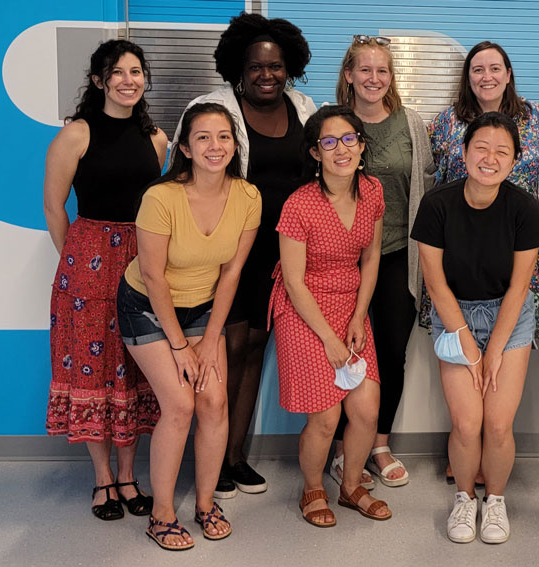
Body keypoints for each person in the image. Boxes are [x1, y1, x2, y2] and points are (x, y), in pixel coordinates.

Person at [174, 11, 316, 498]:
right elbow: (182, 173)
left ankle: (235, 456)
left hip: (281, 253)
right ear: (238, 67)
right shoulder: (213, 107)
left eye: (275, 66)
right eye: (256, 66)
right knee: (224, 350)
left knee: (256, 348)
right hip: (228, 252)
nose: (266, 74)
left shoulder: (302, 106)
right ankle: (210, 458)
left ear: (289, 68)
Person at [118, 103, 260, 550]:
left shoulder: (248, 197)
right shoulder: (161, 198)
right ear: (185, 147)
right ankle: (161, 516)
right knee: (180, 403)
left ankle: (204, 504)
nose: (214, 146)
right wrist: (181, 348)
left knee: (215, 400)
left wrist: (211, 335)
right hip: (146, 305)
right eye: (203, 137)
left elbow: (231, 274)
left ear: (234, 145)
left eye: (223, 136)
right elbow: (155, 276)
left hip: (202, 308)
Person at [44, 39, 165, 521]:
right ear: (99, 81)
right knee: (93, 371)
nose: (128, 79)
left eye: (136, 71)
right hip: (86, 265)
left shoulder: (156, 138)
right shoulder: (77, 134)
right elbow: (55, 207)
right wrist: (75, 262)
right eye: (117, 72)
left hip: (142, 260)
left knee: (135, 369)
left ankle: (130, 475)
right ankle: (102, 480)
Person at [412, 112, 539, 544]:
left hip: (511, 314)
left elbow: (520, 286)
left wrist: (494, 351)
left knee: (499, 424)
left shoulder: (524, 207)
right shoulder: (437, 203)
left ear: (514, 160)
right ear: (464, 152)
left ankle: (497, 502)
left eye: (501, 152)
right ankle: (465, 498)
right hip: (455, 315)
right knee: (467, 423)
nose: (490, 158)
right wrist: (469, 344)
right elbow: (435, 281)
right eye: (481, 148)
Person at [429, 40, 539, 484]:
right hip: (458, 253)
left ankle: (493, 458)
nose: (486, 76)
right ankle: (465, 454)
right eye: (477, 68)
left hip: (517, 253)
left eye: (495, 67)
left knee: (501, 378)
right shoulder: (445, 122)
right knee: (465, 401)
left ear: (508, 73)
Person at [270, 105, 391, 527]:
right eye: (328, 141)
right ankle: (312, 489)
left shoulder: (373, 189)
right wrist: (329, 338)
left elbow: (372, 256)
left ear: (361, 145)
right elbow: (293, 281)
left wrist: (359, 317)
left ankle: (352, 485)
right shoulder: (298, 204)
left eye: (349, 139)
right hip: (303, 309)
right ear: (315, 152)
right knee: (325, 415)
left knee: (367, 409)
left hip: (350, 305)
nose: (341, 149)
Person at [328, 35, 435, 488]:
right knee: (336, 354)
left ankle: (377, 444)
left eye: (382, 71)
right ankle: (336, 447)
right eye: (365, 69)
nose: (374, 78)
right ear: (349, 74)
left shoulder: (411, 125)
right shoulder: (331, 124)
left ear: (392, 77)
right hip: (338, 260)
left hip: (396, 256)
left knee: (391, 353)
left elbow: (426, 192)